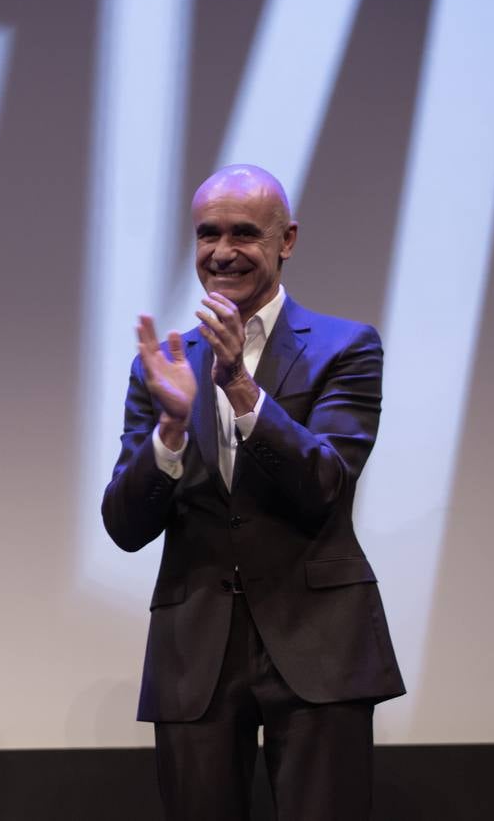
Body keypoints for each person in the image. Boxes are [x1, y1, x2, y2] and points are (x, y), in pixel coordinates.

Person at [102, 164, 404, 820]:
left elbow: (325, 483)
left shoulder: (345, 347)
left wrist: (240, 385)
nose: (222, 252)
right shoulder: (163, 365)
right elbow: (125, 525)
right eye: (208, 233)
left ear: (286, 239)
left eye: (244, 233)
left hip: (318, 639)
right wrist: (173, 428)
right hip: (196, 648)